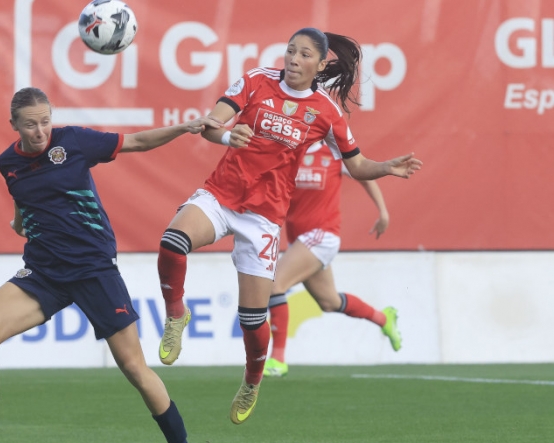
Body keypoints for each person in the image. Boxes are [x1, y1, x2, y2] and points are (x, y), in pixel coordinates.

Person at [155, 27, 422, 425]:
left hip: (263, 219)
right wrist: (229, 135)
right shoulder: (255, 80)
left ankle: (251, 380)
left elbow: (357, 164)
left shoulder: (326, 112)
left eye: (304, 55)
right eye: (290, 51)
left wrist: (385, 168)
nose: (294, 59)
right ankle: (176, 314)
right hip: (222, 195)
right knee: (173, 240)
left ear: (319, 65)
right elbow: (210, 124)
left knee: (252, 318)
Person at [0, 87, 220, 443]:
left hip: (93, 269)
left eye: (45, 122)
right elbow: (23, 199)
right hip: (43, 272)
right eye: (31, 125)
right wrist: (20, 222)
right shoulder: (8, 163)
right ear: (14, 125)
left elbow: (137, 142)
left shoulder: (74, 142)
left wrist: (184, 127)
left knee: (134, 367)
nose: (40, 131)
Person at [263, 140, 400, 379]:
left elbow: (364, 173)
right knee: (330, 302)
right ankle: (383, 317)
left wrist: (383, 211)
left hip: (323, 235)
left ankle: (278, 359)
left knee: (275, 285)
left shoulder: (334, 153)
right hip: (300, 240)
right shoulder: (289, 152)